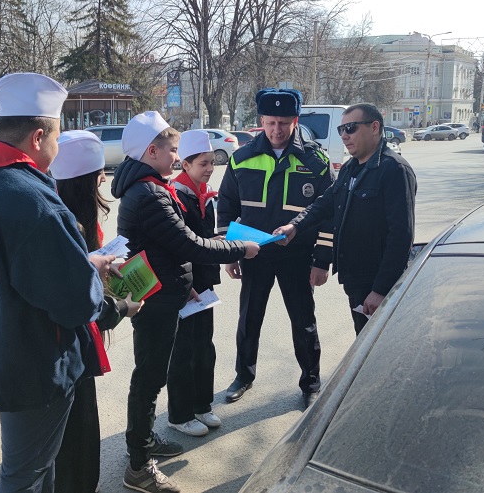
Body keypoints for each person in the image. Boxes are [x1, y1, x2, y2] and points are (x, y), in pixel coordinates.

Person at [0, 72, 113, 493]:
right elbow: (77, 302)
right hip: (32, 364)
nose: (57, 148)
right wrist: (92, 273)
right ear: (38, 136)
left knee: (35, 466)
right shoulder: (34, 200)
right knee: (24, 474)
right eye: (56, 138)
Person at [110, 112, 260, 493]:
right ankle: (139, 467)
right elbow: (190, 244)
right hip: (156, 301)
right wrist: (241, 248)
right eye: (173, 150)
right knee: (149, 379)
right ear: (151, 150)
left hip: (163, 291)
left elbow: (167, 250)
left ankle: (142, 444)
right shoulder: (149, 194)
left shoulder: (147, 187)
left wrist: (186, 282)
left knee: (151, 376)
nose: (177, 158)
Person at [217, 88, 334, 409]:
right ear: (261, 121)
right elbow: (226, 206)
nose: (276, 130)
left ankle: (310, 381)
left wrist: (322, 261)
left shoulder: (316, 162)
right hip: (255, 253)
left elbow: (330, 213)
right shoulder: (241, 158)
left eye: (284, 122)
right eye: (270, 122)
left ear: (295, 121)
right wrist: (231, 253)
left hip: (298, 257)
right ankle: (244, 375)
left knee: (303, 320)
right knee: (248, 319)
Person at [50, 130, 143, 493]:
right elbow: (77, 298)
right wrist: (121, 307)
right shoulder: (67, 223)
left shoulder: (57, 208)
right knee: (77, 435)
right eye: (98, 175)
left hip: (61, 345)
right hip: (66, 347)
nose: (104, 179)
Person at [274, 103, 417, 335]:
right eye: (340, 130)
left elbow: (401, 236)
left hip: (376, 280)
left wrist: (381, 289)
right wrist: (295, 226)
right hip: (355, 278)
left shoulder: (394, 170)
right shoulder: (352, 167)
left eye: (350, 128)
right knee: (363, 342)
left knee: (378, 347)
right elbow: (324, 203)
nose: (344, 136)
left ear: (374, 127)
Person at [166, 130, 223, 437]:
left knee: (204, 346)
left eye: (212, 162)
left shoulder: (205, 193)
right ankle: (180, 413)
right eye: (203, 163)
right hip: (186, 285)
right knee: (183, 350)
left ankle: (202, 405)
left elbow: (205, 239)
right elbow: (180, 245)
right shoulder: (176, 196)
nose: (209, 168)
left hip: (205, 283)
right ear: (185, 165)